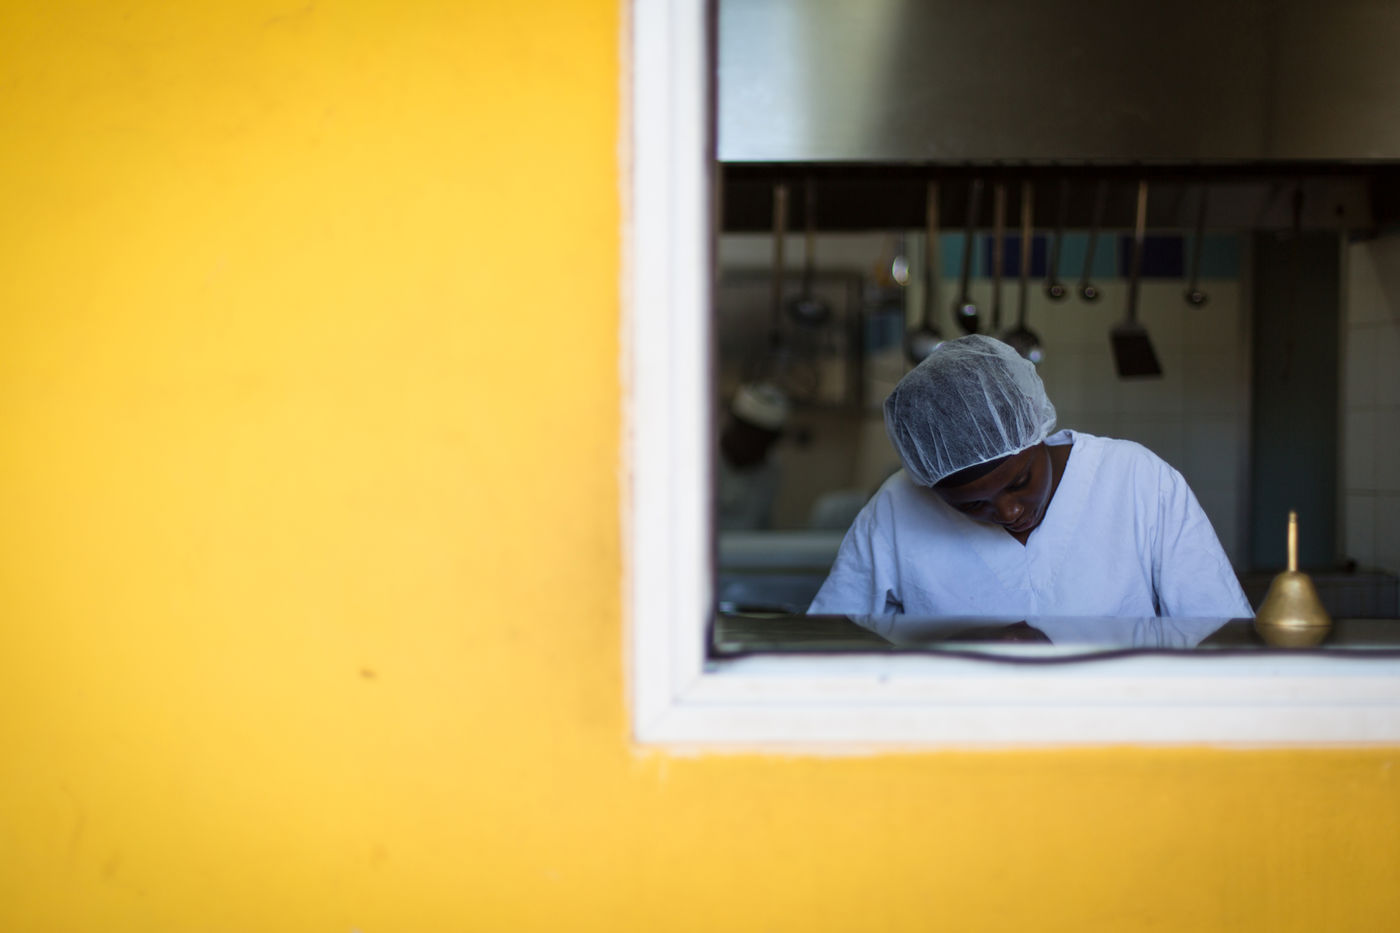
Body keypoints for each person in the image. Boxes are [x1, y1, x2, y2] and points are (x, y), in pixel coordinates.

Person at [807, 335, 1252, 623]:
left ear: (1035, 431)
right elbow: (834, 638)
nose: (1008, 511)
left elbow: (1216, 629)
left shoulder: (1136, 480)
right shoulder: (897, 508)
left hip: (1122, 729)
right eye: (972, 505)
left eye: (1019, 481)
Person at [717, 382, 789, 531]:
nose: (756, 447)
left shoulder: (770, 470)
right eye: (751, 436)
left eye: (764, 442)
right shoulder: (696, 459)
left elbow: (761, 525)